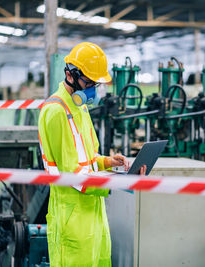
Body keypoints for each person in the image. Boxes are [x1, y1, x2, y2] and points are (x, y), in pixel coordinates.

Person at [38, 42, 145, 266]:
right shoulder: (56, 111)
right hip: (72, 218)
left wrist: (109, 162)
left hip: (93, 213)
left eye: (94, 83)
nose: (92, 88)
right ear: (70, 75)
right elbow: (73, 174)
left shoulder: (80, 108)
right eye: (88, 82)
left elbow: (88, 160)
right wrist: (121, 182)